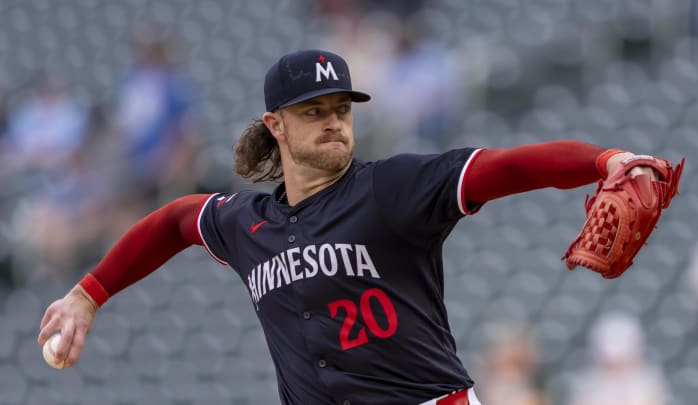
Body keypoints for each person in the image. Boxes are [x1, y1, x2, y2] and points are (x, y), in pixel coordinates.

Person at [38, 49, 665, 404]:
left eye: (341, 108)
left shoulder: (392, 188)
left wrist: (603, 161)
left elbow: (504, 168)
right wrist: (87, 296)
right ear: (276, 126)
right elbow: (176, 220)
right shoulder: (245, 223)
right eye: (314, 112)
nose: (334, 120)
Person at [566, 311, 670, 405]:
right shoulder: (585, 387)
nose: (615, 368)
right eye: (609, 364)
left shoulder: (650, 385)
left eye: (621, 362)